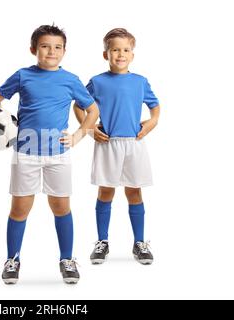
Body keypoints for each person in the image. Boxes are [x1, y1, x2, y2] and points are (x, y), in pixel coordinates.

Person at [0, 24, 99, 284]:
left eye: (57, 47)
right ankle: (12, 259)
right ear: (33, 49)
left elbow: (93, 110)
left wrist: (78, 135)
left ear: (64, 51)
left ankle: (67, 259)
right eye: (45, 46)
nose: (51, 51)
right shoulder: (22, 75)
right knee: (20, 208)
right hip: (25, 153)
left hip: (58, 154)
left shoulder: (71, 80)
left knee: (61, 207)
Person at [74, 28, 161, 265]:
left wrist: (152, 122)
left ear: (132, 54)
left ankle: (140, 243)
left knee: (134, 191)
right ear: (106, 54)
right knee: (106, 191)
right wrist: (89, 129)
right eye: (115, 50)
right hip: (108, 143)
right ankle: (102, 242)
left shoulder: (140, 81)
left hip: (134, 143)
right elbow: (79, 105)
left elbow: (155, 106)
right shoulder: (97, 81)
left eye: (125, 50)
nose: (120, 54)